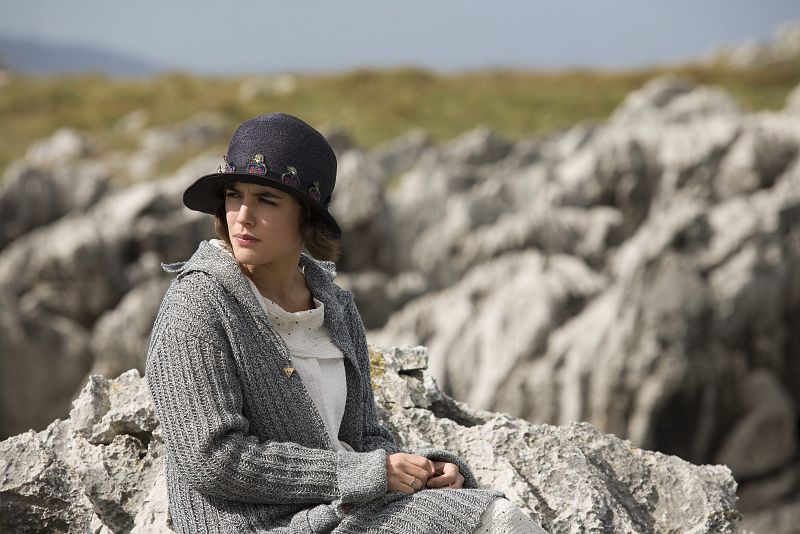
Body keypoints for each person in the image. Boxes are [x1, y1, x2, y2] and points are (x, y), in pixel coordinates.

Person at [145, 112, 547, 533]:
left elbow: (364, 439)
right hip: (262, 527)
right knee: (497, 521)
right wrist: (364, 473)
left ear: (307, 216)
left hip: (342, 514)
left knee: (492, 516)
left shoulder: (335, 307)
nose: (242, 215)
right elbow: (212, 459)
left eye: (266, 200)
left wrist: (425, 471)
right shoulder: (196, 305)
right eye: (233, 195)